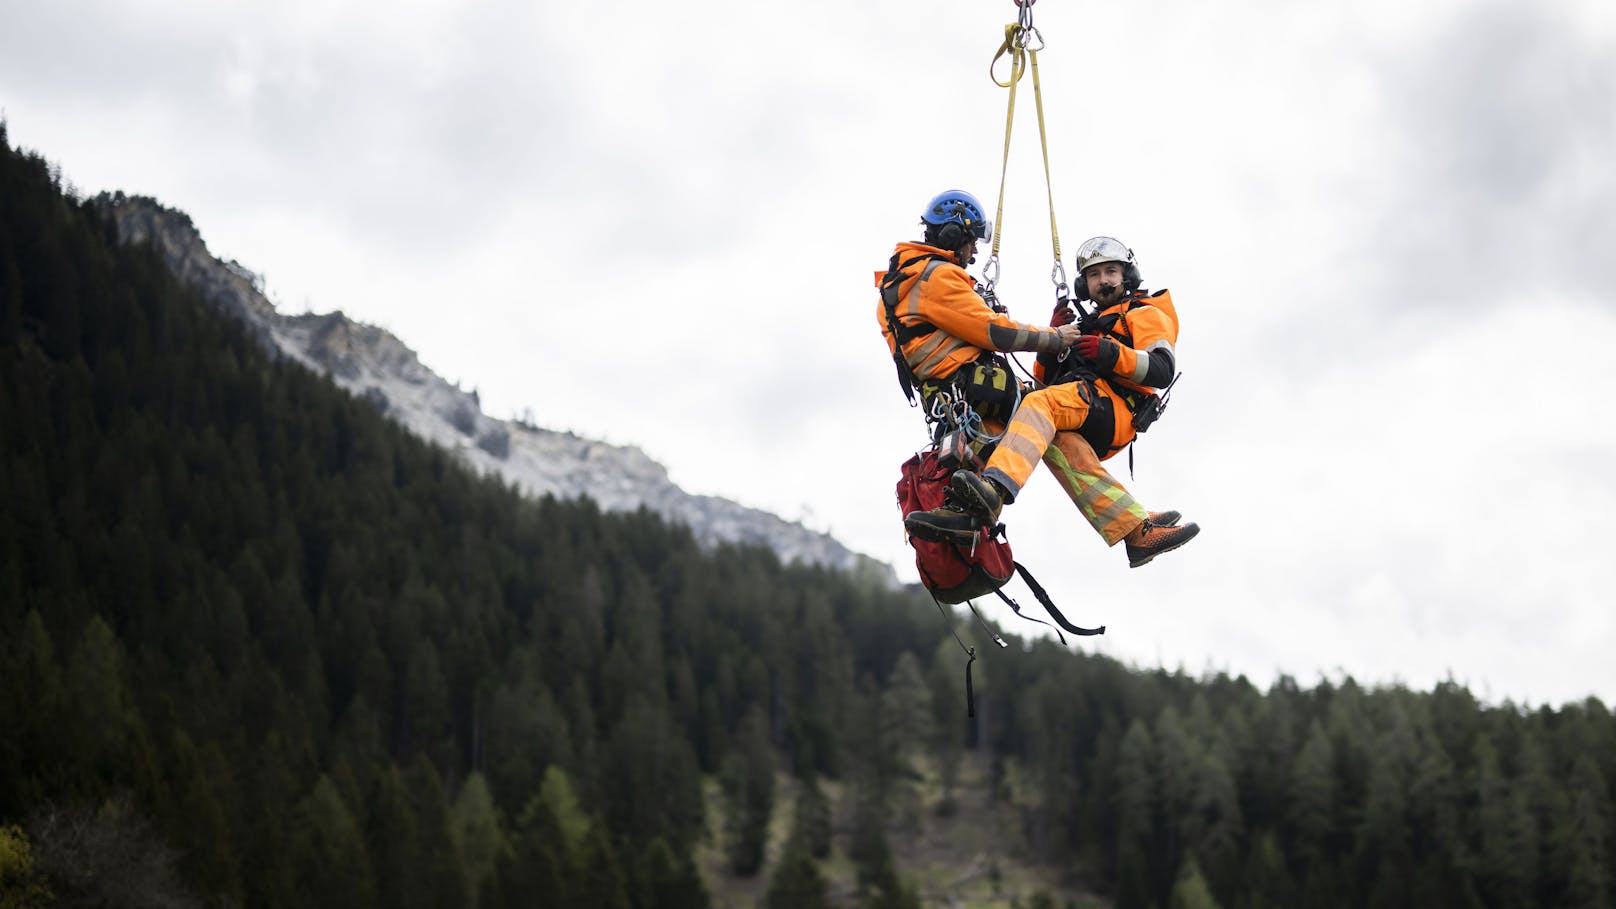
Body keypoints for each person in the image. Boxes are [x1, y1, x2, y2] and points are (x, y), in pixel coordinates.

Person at [901, 232, 1200, 568]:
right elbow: (1046, 378)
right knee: (1055, 439)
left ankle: (994, 488)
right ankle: (1135, 529)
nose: (1103, 281)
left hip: (1115, 407)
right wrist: (1052, 339)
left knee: (1040, 403)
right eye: (1094, 275)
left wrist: (1111, 353)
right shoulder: (1087, 325)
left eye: (1111, 272)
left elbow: (1161, 368)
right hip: (1085, 407)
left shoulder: (1145, 311)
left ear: (1126, 275)